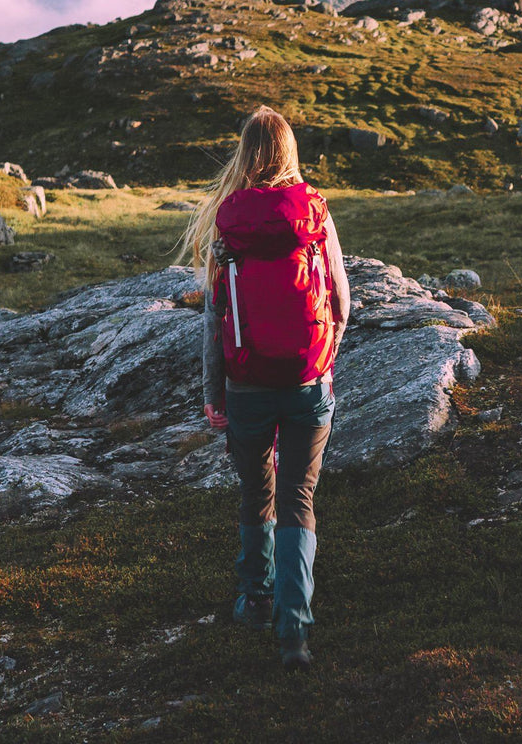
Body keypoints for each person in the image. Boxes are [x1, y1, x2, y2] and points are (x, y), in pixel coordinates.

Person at [180, 106, 349, 671]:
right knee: (299, 494)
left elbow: (212, 319)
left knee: (258, 492)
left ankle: (255, 599)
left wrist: (215, 393)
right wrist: (322, 364)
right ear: (289, 151)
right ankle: (294, 629)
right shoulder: (315, 213)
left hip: (246, 384)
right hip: (307, 381)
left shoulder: (228, 225)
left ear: (244, 154)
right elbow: (342, 305)